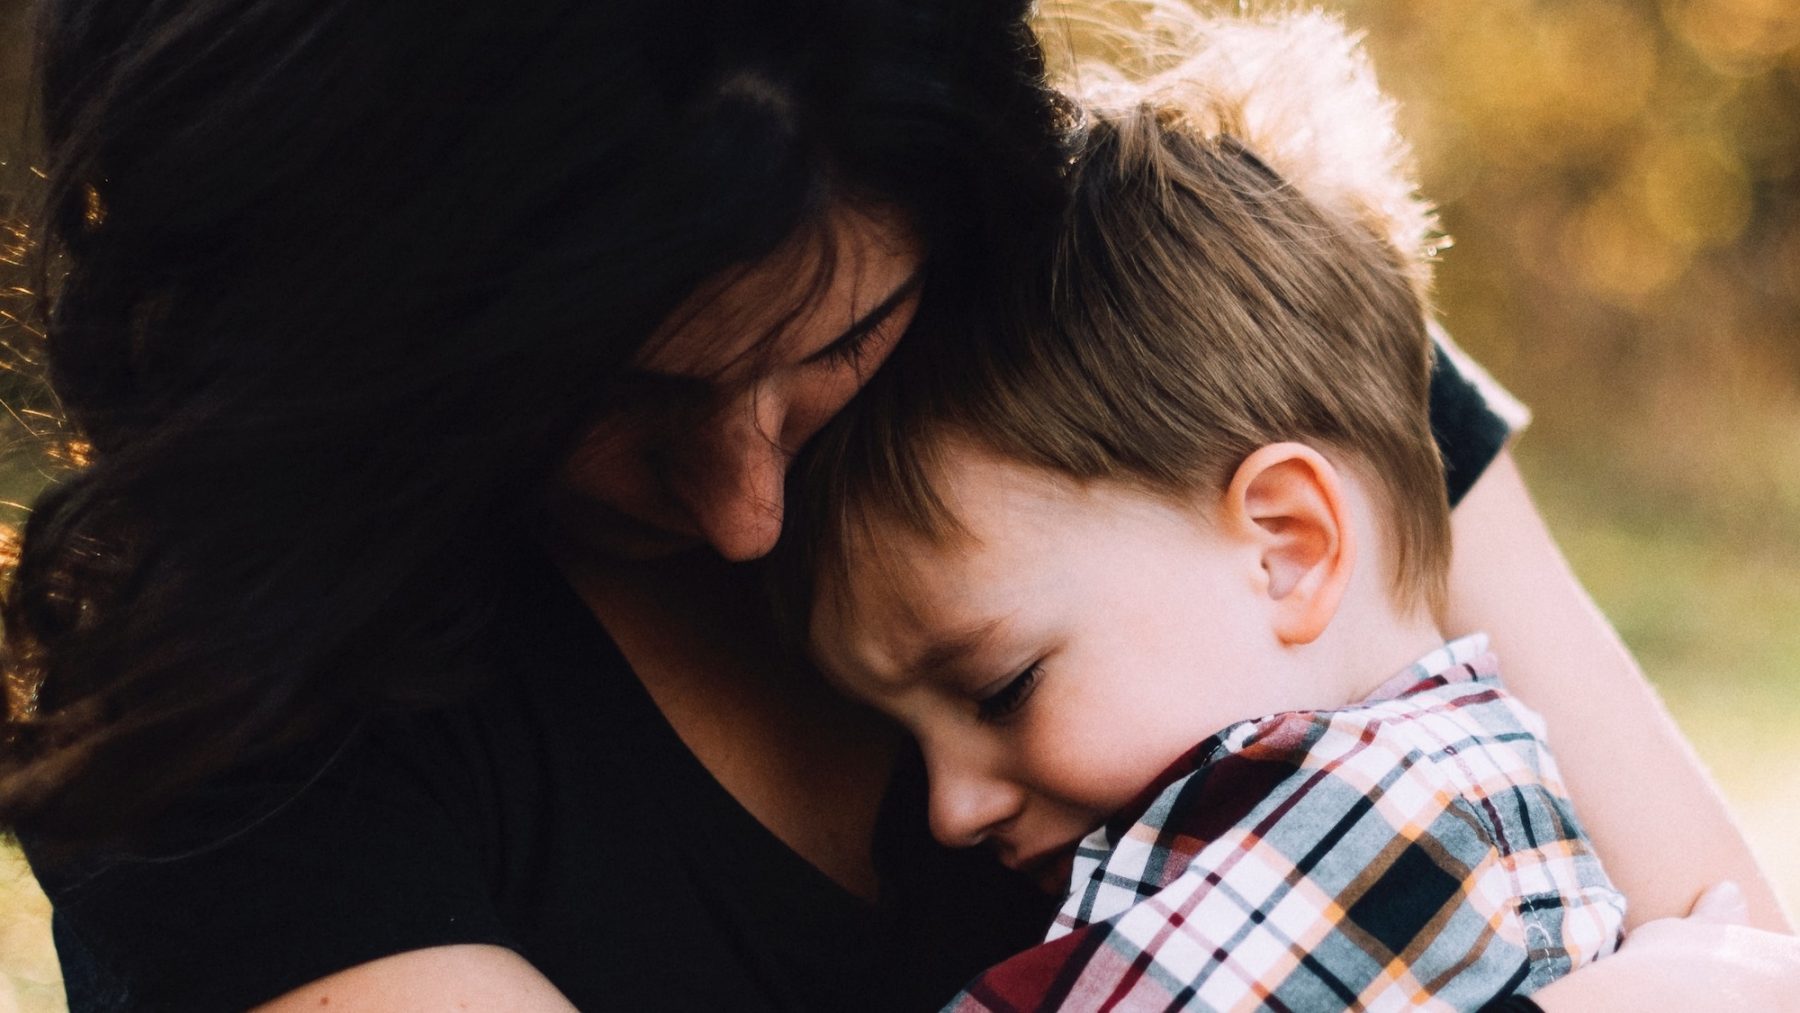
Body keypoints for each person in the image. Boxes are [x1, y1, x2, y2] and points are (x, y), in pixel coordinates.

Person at [0, 1, 1790, 1011]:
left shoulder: (1174, 345)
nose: (746, 510)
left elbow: (1730, 950)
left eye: (836, 344)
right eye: (604, 403)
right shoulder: (253, 734)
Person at [780, 16, 1626, 1007]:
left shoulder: (1365, 831)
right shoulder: (1466, 783)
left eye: (1002, 687)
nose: (950, 808)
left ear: (1287, 547)